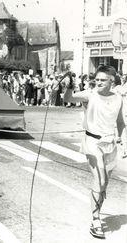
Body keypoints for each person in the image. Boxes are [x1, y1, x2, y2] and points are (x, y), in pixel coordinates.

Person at [63, 65, 125, 239]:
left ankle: (97, 212)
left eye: (103, 80)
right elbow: (69, 98)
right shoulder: (90, 94)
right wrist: (68, 86)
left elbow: (120, 122)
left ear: (112, 81)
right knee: (100, 179)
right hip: (92, 142)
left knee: (103, 185)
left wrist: (122, 140)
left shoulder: (118, 98)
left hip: (110, 143)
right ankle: (96, 220)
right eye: (97, 79)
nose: (98, 82)